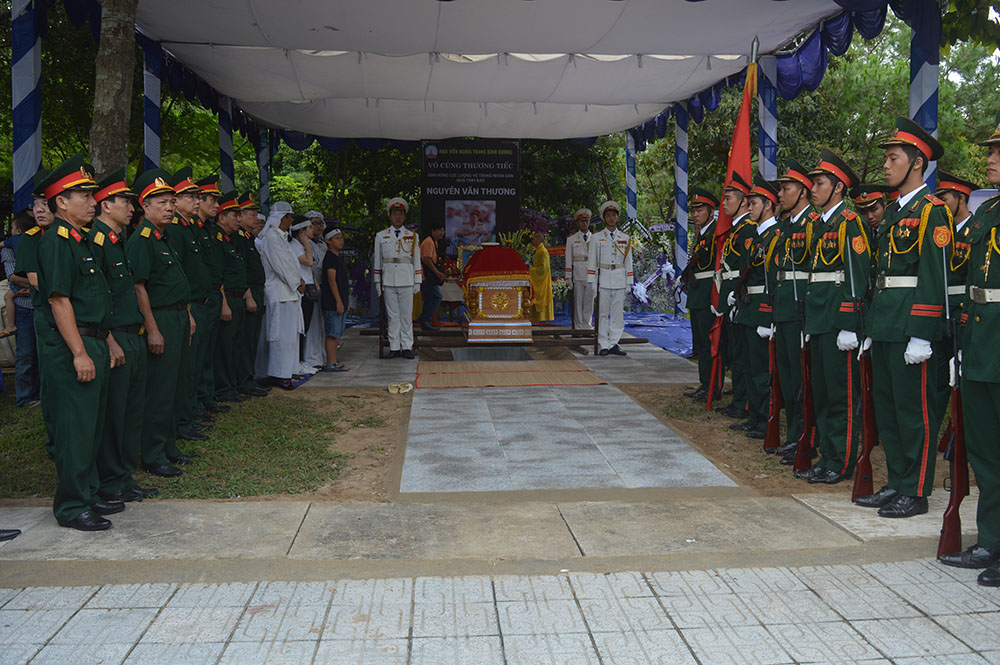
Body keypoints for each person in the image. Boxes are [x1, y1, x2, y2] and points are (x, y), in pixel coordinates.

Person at [856, 118, 951, 516]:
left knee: (915, 412)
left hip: (911, 325)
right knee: (889, 409)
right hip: (886, 323)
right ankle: (896, 481)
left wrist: (922, 333)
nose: (886, 165)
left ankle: (915, 490)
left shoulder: (932, 212)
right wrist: (872, 326)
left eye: (893, 158)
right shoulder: (895, 210)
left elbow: (934, 276)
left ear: (917, 163)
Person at [34, 154, 119, 530]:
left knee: (91, 427)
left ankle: (89, 493)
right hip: (74, 346)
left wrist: (106, 343)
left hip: (94, 341)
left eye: (91, 194)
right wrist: (80, 353)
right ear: (61, 202)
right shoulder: (57, 241)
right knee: (75, 430)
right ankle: (71, 506)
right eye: (83, 195)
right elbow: (59, 300)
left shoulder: (81, 240)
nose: (92, 201)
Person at [942, 116, 1000, 585]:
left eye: (999, 152)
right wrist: (960, 341)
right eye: (991, 151)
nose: (991, 158)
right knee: (985, 452)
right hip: (981, 344)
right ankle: (991, 540)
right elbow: (968, 285)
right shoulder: (986, 213)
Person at [89, 167, 157, 503]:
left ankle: (125, 475)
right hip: (115, 336)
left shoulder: (117, 242)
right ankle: (111, 479)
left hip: (133, 332)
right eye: (125, 202)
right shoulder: (96, 242)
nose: (132, 208)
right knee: (115, 414)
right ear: (106, 205)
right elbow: (97, 298)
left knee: (132, 410)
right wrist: (110, 339)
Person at [800, 149, 867, 486]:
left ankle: (841, 462)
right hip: (818, 319)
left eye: (820, 183)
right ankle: (828, 456)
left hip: (837, 322)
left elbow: (857, 276)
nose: (813, 189)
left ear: (838, 187)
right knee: (823, 394)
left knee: (841, 397)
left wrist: (849, 324)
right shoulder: (819, 224)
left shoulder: (849, 223)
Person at [126, 167, 195, 479]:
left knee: (175, 384)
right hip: (160, 318)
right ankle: (153, 454)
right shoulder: (142, 240)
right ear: (145, 206)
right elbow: (139, 287)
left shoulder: (162, 237)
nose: (169, 207)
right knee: (160, 389)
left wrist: (187, 315)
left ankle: (168, 446)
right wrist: (152, 329)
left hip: (177, 315)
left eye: (171, 202)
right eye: (162, 203)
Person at [771, 159, 816, 459]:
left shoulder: (813, 223)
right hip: (784, 307)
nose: (780, 194)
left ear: (803, 192)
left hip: (801, 308)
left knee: (802, 380)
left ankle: (805, 435)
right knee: (787, 378)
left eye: (786, 189)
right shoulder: (786, 226)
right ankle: (792, 434)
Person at [733, 176, 782, 440]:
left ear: (769, 204)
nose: (749, 207)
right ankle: (754, 416)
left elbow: (772, 280)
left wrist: (767, 316)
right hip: (748, 308)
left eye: (753, 203)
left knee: (763, 370)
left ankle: (765, 420)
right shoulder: (758, 236)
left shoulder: (775, 236)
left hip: (762, 308)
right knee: (751, 367)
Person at [166, 168, 212, 443]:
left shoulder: (189, 227)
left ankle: (191, 412)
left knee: (195, 363)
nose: (197, 201)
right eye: (191, 197)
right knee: (186, 367)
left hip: (199, 303)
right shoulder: (175, 230)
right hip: (187, 305)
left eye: (197, 196)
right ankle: (184, 418)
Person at [14, 174, 57, 454]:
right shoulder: (31, 239)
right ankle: (55, 438)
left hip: (80, 316)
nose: (39, 210)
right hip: (48, 314)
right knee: (51, 377)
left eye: (44, 203)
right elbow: (36, 281)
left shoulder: (76, 235)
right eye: (35, 205)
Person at [715, 172, 754, 419]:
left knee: (742, 354)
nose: (724, 203)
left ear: (743, 202)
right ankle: (738, 398)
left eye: (728, 198)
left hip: (741, 298)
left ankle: (744, 402)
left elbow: (747, 268)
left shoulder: (747, 230)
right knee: (734, 352)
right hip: (731, 296)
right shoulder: (735, 230)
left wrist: (736, 295)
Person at [213, 192, 258, 399]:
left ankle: (233, 385)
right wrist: (224, 303)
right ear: (222, 217)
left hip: (238, 297)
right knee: (225, 348)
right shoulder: (218, 239)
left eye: (240, 215)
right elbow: (219, 275)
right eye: (235, 215)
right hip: (228, 298)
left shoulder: (231, 240)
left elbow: (239, 273)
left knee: (237, 345)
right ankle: (224, 387)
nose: (239, 219)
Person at [192, 176, 228, 416]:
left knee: (207, 351)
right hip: (197, 300)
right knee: (197, 355)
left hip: (212, 295)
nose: (216, 205)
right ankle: (195, 403)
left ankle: (206, 397)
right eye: (211, 200)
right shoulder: (190, 229)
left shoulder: (208, 230)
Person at [258, 202, 304, 388]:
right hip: (280, 292)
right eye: (290, 217)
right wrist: (297, 282)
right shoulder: (271, 237)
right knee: (280, 337)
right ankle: (279, 374)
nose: (291, 221)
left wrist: (298, 281)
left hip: (290, 292)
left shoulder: (281, 237)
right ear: (282, 218)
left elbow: (291, 264)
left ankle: (288, 371)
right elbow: (281, 266)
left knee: (290, 336)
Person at [681, 190, 719, 401]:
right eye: (693, 211)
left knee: (708, 342)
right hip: (697, 293)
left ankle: (712, 385)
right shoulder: (703, 234)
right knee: (700, 344)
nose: (695, 214)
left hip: (707, 294)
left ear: (711, 212)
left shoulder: (714, 233)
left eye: (700, 210)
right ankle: (706, 383)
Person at [374, 197, 421, 359]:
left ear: (405, 216)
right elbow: (378, 260)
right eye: (394, 214)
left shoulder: (412, 236)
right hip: (388, 280)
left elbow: (416, 260)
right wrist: (377, 281)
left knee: (406, 316)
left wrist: (417, 280)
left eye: (400, 213)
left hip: (407, 280)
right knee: (392, 316)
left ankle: (407, 346)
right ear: (390, 216)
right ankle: (394, 347)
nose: (397, 217)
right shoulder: (381, 236)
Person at [588, 201, 633, 356]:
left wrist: (629, 282)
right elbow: (592, 262)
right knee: (602, 314)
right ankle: (603, 344)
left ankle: (614, 342)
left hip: (619, 279)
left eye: (614, 215)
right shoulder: (596, 238)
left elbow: (628, 262)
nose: (611, 218)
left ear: (618, 218)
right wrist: (592, 282)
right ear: (604, 218)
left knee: (617, 314)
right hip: (603, 280)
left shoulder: (625, 238)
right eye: (608, 215)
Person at [3, 211, 38, 405]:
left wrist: (33, 287)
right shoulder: (9, 249)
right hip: (24, 308)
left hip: (40, 305)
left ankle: (39, 394)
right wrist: (36, 285)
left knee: (40, 354)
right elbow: (12, 277)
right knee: (25, 354)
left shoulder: (38, 242)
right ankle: (24, 397)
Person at [236, 194, 269, 397]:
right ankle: (244, 381)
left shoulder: (249, 239)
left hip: (257, 291)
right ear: (241, 216)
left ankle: (248, 378)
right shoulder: (240, 239)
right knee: (246, 340)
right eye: (253, 214)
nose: (257, 218)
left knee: (252, 339)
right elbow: (241, 272)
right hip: (248, 292)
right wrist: (248, 295)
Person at [290, 216, 319, 373]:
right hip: (301, 290)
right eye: (309, 228)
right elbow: (309, 262)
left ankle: (301, 359)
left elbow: (310, 268)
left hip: (309, 287)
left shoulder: (301, 246)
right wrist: (307, 243)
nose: (312, 230)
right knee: (300, 328)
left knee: (305, 326)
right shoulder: (295, 246)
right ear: (301, 231)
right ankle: (298, 361)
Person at [320, 226, 350, 372]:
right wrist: (338, 301)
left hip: (341, 301)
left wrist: (345, 301)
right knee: (332, 333)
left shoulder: (337, 257)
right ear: (328, 241)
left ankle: (334, 360)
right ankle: (331, 362)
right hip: (332, 302)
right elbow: (331, 281)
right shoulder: (330, 258)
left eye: (341, 238)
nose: (340, 241)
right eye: (337, 238)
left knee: (337, 332)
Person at [565, 208, 596, 330]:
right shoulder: (571, 239)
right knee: (578, 302)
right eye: (582, 221)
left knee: (589, 302)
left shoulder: (595, 238)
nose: (585, 223)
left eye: (587, 221)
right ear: (578, 223)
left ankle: (587, 325)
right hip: (578, 274)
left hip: (591, 274)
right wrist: (568, 277)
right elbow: (568, 258)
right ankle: (578, 327)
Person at [417, 221, 446, 331]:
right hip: (426, 275)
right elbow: (426, 259)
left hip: (427, 275)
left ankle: (425, 321)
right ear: (432, 231)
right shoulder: (429, 242)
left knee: (429, 298)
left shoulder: (434, 242)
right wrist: (437, 273)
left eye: (443, 230)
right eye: (439, 230)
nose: (441, 233)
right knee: (437, 297)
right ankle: (425, 319)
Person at [529, 230, 554, 321]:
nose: (533, 241)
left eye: (534, 239)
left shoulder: (543, 251)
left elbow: (543, 269)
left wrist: (531, 270)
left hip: (543, 281)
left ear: (539, 239)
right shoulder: (538, 250)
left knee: (541, 297)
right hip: (538, 279)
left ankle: (542, 317)